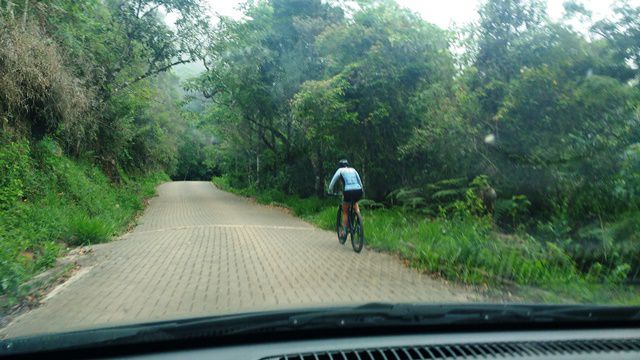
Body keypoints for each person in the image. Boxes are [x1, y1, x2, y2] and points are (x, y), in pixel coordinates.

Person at [328, 159, 364, 239]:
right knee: (355, 203)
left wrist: (329, 190)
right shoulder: (353, 170)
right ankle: (359, 219)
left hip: (348, 191)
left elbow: (333, 181)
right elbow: (360, 182)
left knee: (345, 211)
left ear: (340, 166)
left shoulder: (340, 170)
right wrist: (362, 190)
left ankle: (344, 231)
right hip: (358, 190)